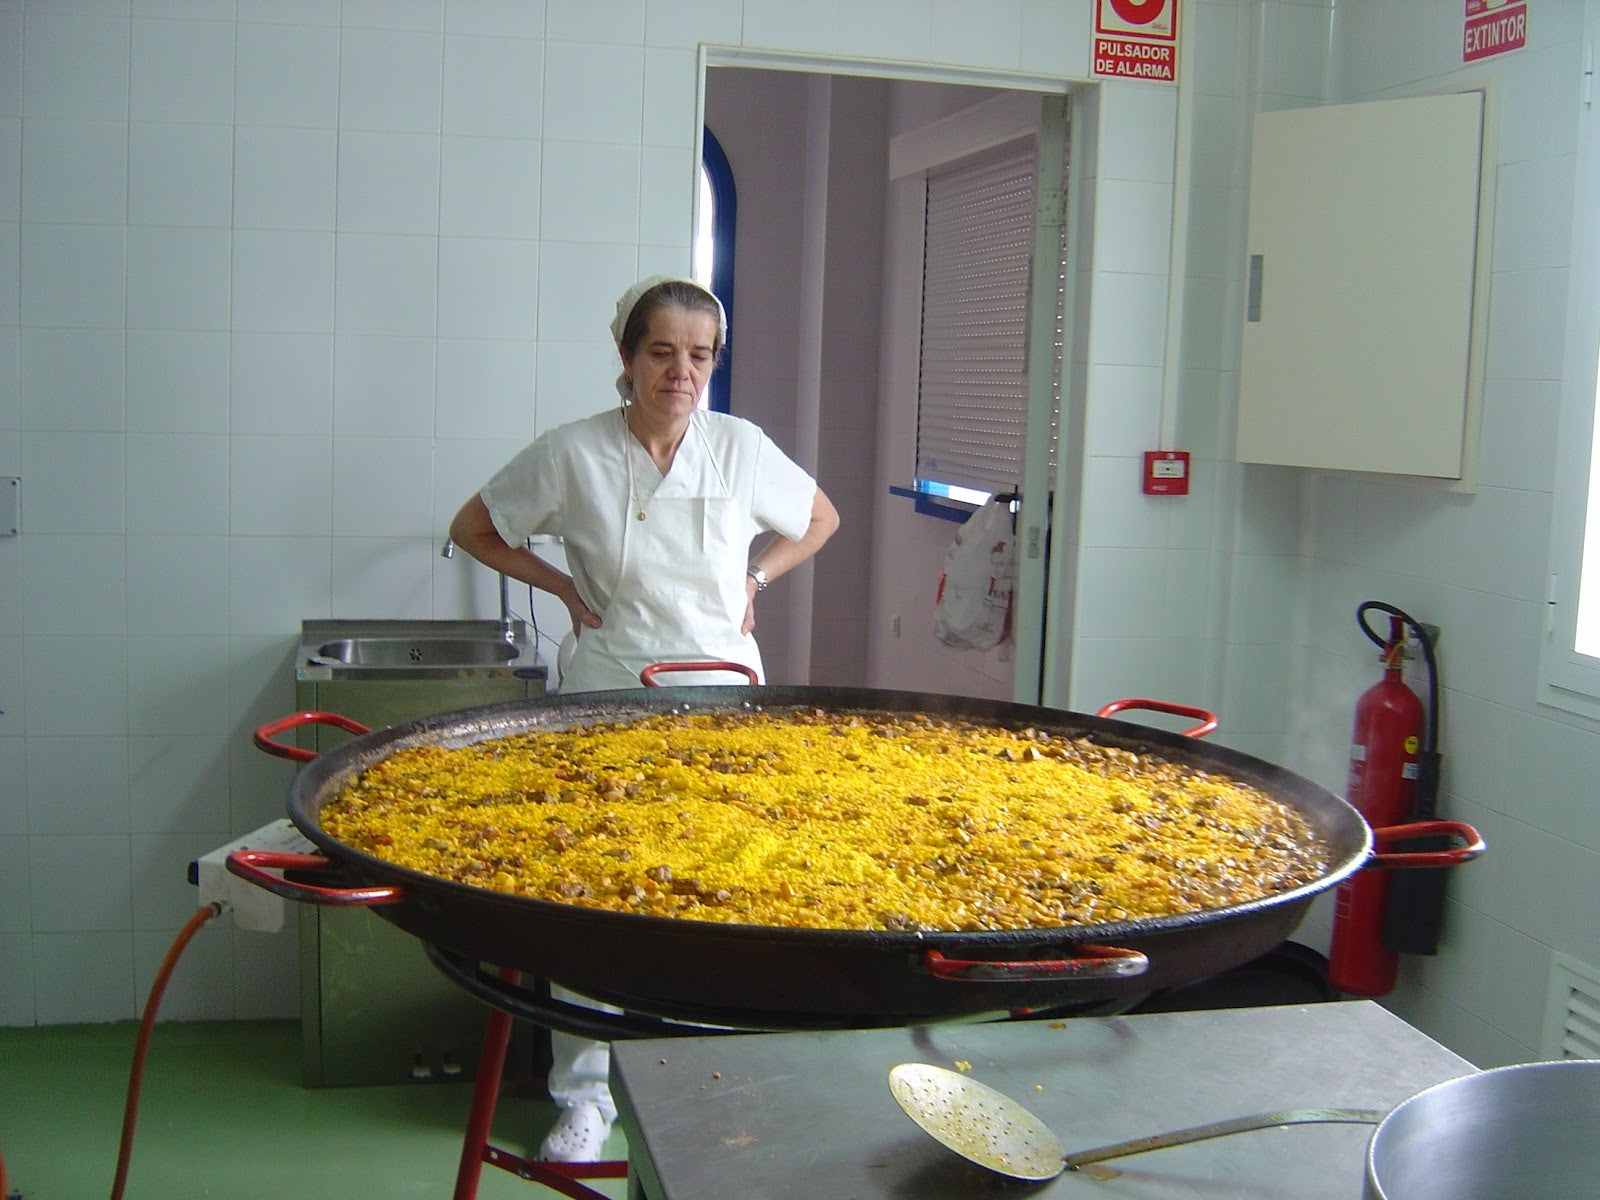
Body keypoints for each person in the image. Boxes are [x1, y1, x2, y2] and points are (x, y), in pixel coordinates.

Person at [447, 275, 840, 1161]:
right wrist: (558, 585)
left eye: (699, 355)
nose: (681, 372)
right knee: (599, 890)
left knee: (722, 884)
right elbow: (475, 526)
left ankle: (706, 1079)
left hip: (723, 698)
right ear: (626, 360)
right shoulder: (573, 453)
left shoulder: (738, 448)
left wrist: (755, 579)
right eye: (661, 352)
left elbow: (820, 516)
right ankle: (586, 1098)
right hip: (609, 692)